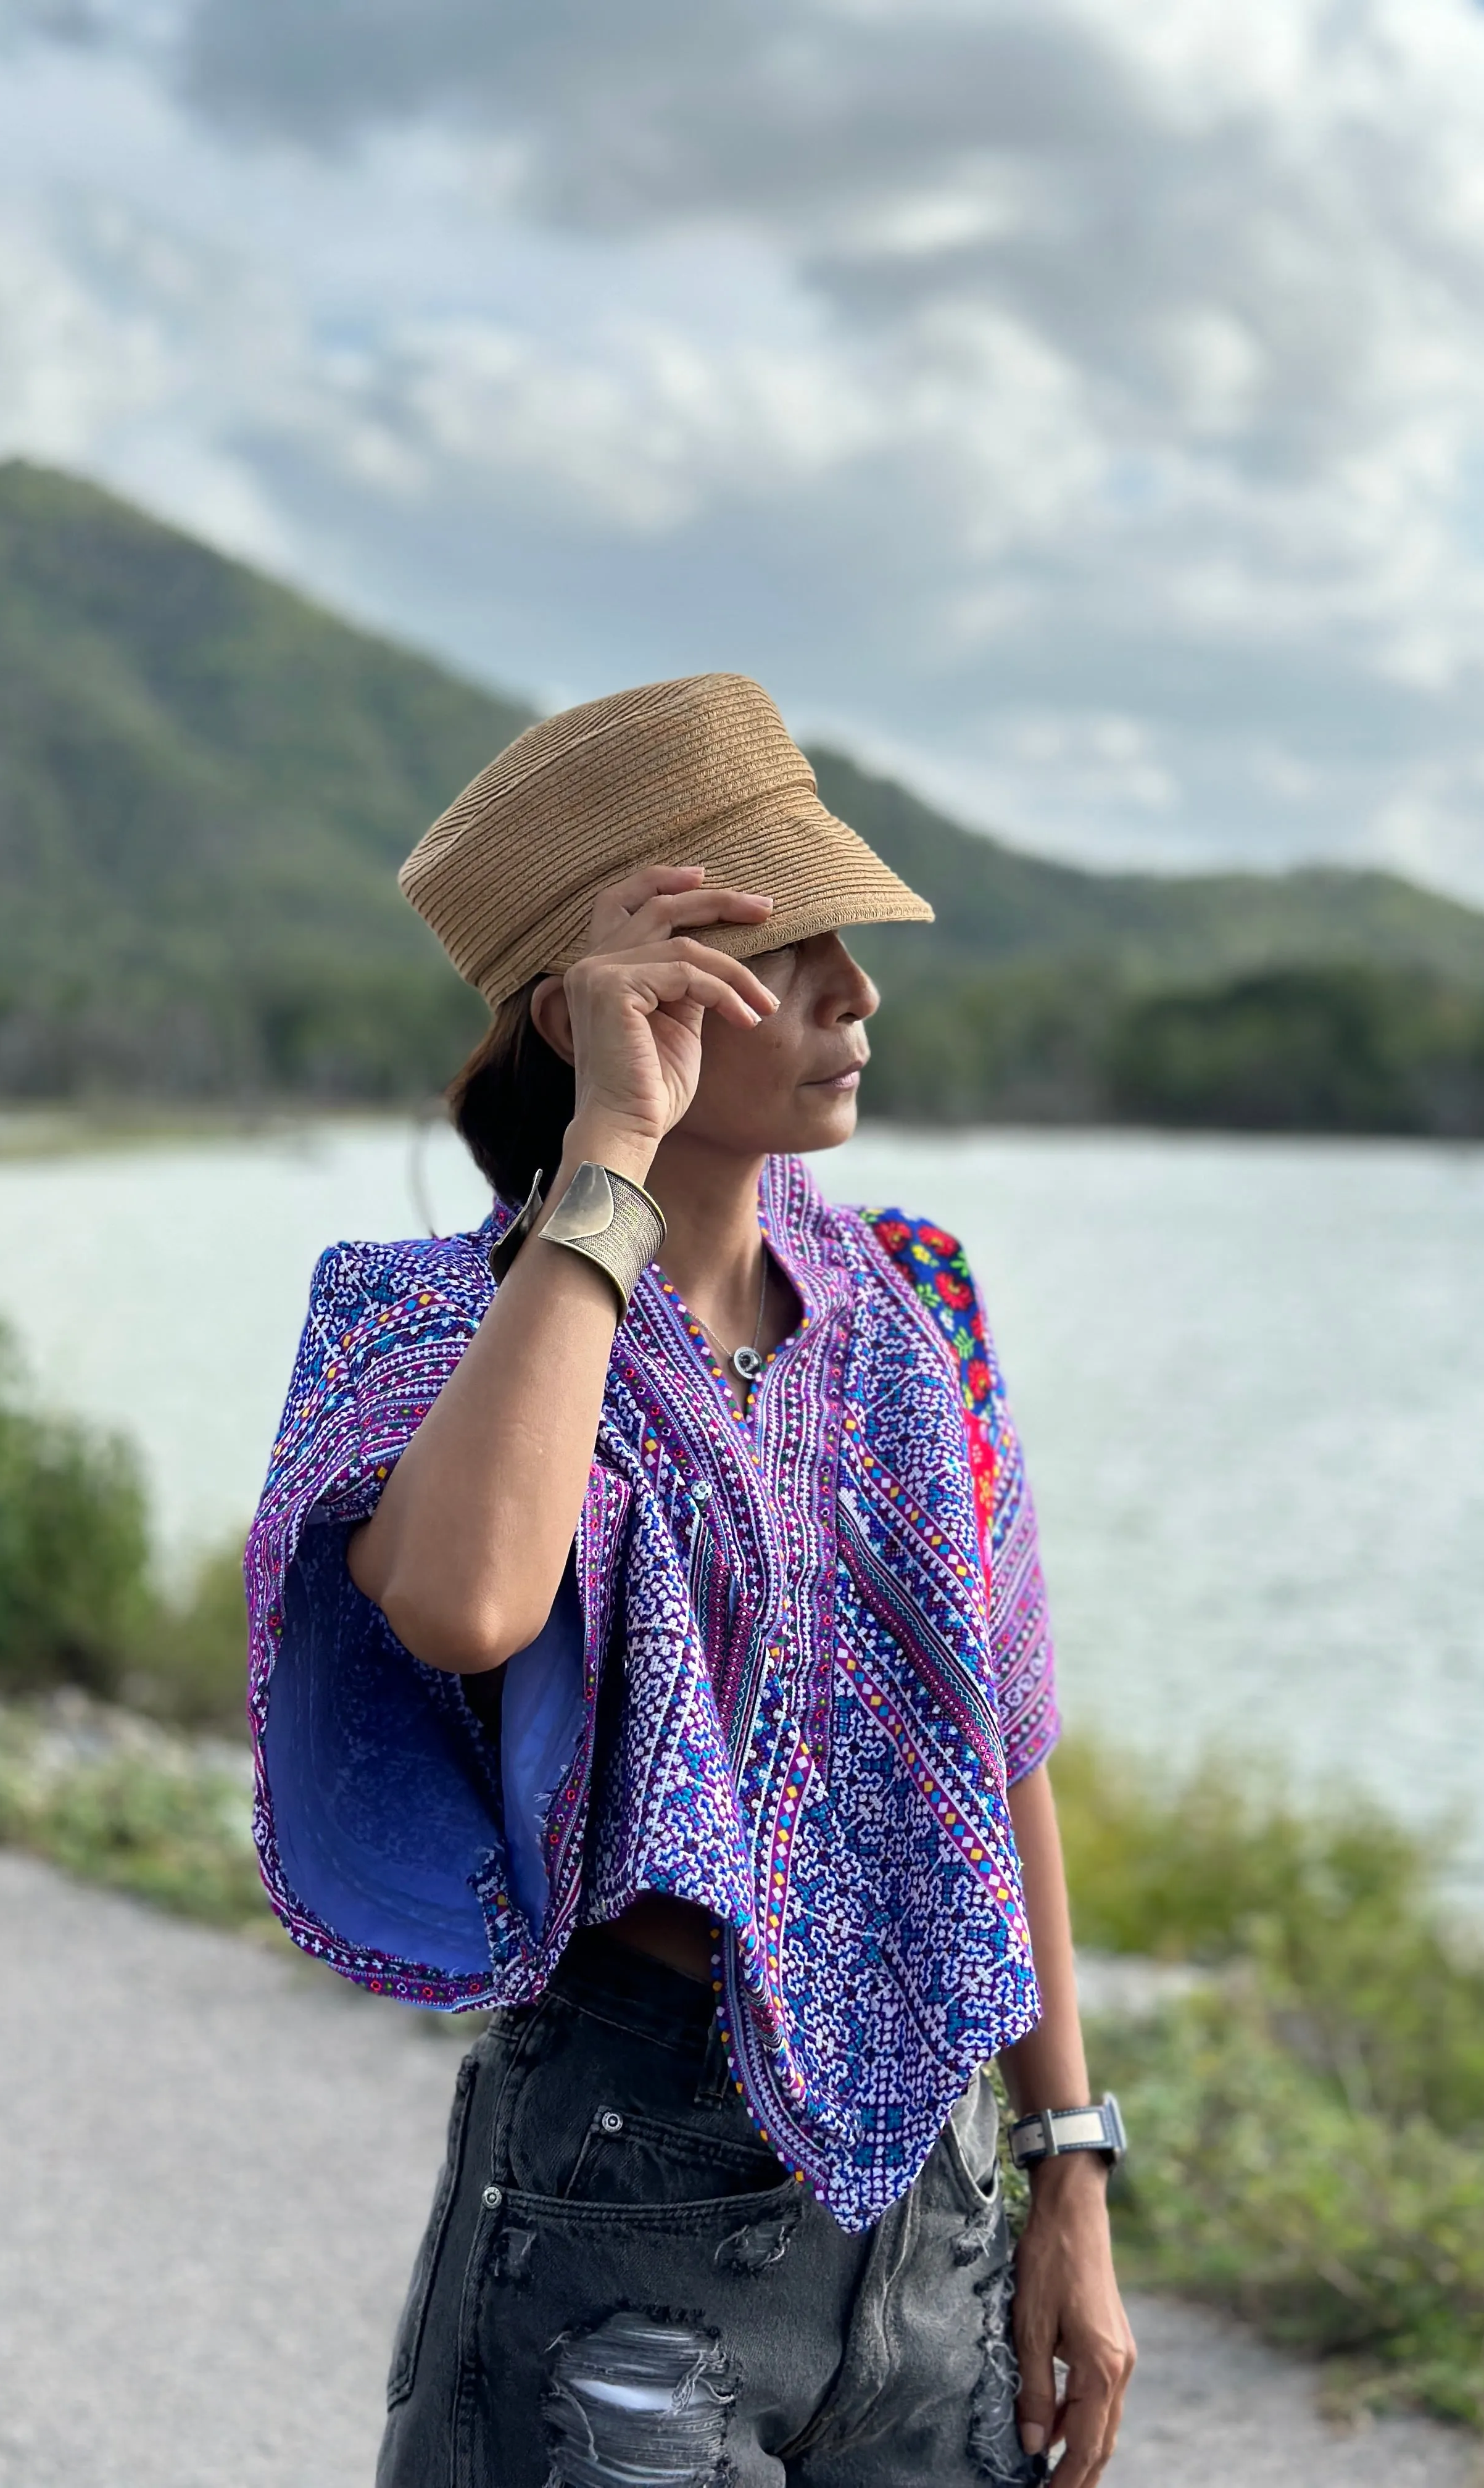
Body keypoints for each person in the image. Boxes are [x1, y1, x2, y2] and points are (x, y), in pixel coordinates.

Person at [246, 674, 1135, 2487]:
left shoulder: (920, 1304)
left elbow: (1005, 1756)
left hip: (935, 2217)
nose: (856, 996)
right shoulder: (424, 1327)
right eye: (787, 950)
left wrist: (1073, 2175)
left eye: (848, 947)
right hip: (622, 2229)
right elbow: (467, 1604)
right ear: (611, 1003)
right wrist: (613, 1155)